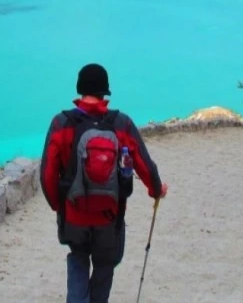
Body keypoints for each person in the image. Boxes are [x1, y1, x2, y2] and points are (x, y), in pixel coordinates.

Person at [40, 63, 168, 303]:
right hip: (111, 216)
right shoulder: (122, 124)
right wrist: (156, 190)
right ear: (105, 91)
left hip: (74, 215)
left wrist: (59, 206)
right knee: (105, 265)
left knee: (78, 257)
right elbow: (145, 164)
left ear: (80, 89)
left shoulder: (61, 124)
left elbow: (47, 174)